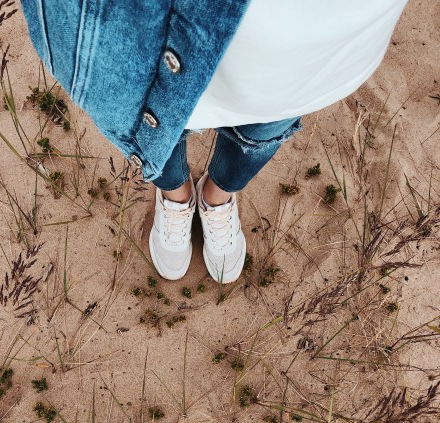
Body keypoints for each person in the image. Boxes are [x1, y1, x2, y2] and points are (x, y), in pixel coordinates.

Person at [20, 0, 409, 283]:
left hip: (311, 34)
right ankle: (175, 194)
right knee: (150, 108)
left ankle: (216, 196)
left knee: (269, 118)